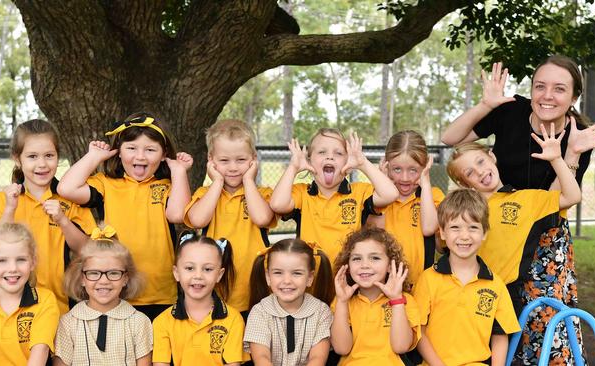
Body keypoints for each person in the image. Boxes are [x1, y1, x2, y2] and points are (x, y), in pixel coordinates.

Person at [441, 56, 595, 364]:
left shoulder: (579, 135)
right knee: (497, 319)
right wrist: (486, 104)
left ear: (573, 97)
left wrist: (570, 152)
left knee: (546, 319)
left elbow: (557, 202)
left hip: (544, 233)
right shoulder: (511, 112)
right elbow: (450, 138)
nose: (547, 95)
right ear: (531, 89)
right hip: (499, 227)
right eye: (540, 86)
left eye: (559, 89)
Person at [57, 112, 193, 320]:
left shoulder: (167, 186)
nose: (140, 156)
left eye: (150, 150)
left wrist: (179, 172)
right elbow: (66, 188)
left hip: (160, 294)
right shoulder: (105, 184)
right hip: (113, 290)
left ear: (163, 153)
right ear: (118, 151)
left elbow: (177, 214)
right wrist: (93, 156)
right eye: (131, 148)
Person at [0, 119, 95, 314]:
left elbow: (87, 249)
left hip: (62, 305)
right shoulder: (4, 200)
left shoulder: (70, 199)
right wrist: (10, 210)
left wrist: (63, 220)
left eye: (49, 155)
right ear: (17, 159)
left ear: (58, 156)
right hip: (13, 305)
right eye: (32, 156)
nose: (42, 164)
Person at [413, 189, 520, 365]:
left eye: (473, 228)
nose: (464, 236)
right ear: (443, 233)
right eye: (455, 227)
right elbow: (419, 331)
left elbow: (500, 336)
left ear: (484, 233)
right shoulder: (429, 279)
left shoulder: (495, 285)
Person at [184, 119, 275, 314]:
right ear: (211, 160)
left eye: (241, 160)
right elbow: (198, 220)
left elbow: (262, 219)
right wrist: (216, 182)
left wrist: (249, 180)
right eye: (224, 161)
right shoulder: (205, 194)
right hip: (215, 289)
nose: (233, 168)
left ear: (253, 158)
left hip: (255, 288)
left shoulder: (262, 193)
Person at [270, 129, 398, 263]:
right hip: (312, 279)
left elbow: (390, 194)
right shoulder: (302, 193)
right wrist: (293, 167)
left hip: (348, 278)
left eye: (338, 153)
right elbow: (277, 204)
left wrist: (362, 163)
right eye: (322, 152)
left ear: (348, 164)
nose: (330, 157)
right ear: (309, 161)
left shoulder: (359, 193)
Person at [54, 226, 152, 365]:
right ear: (82, 278)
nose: (104, 281)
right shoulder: (68, 323)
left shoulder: (139, 322)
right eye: (94, 273)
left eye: (113, 273)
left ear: (126, 278)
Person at [152, 232, 248, 366]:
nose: (198, 275)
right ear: (176, 273)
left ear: (219, 275)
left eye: (207, 269)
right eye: (189, 268)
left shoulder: (234, 320)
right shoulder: (161, 322)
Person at [331, 226, 420, 365]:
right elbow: (342, 348)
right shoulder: (342, 301)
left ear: (390, 266)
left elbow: (401, 346)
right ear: (347, 266)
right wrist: (342, 302)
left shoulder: (406, 301)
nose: (364, 265)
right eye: (356, 259)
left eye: (375, 258)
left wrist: (396, 300)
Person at [368, 130, 444, 288]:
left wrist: (426, 183)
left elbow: (430, 228)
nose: (404, 178)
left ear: (425, 167)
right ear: (386, 166)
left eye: (413, 170)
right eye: (397, 169)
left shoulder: (431, 196)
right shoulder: (373, 196)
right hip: (382, 285)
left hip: (420, 286)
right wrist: (381, 185)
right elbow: (375, 232)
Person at [245, 239, 334, 366]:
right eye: (278, 273)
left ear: (309, 278)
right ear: (268, 277)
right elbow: (261, 358)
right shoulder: (260, 311)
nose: (287, 280)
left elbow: (317, 358)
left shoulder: (321, 311)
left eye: (296, 273)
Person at [0, 222, 59, 366]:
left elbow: (40, 351)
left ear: (32, 262)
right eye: (2, 261)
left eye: (21, 259)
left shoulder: (44, 301)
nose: (12, 268)